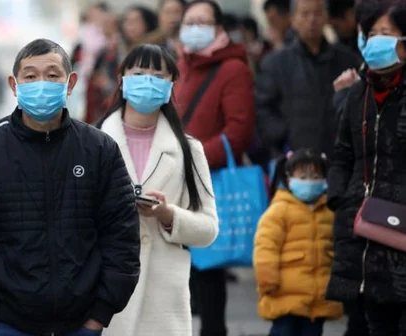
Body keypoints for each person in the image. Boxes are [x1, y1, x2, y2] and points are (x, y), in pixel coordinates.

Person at [0, 38, 141, 336]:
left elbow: (121, 236)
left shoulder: (99, 149)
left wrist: (100, 313)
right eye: (31, 76)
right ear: (14, 83)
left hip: (82, 323)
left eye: (52, 75)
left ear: (70, 83)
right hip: (4, 323)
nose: (41, 84)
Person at [97, 44, 219, 336]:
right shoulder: (92, 144)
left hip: (163, 301)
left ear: (171, 84)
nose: (147, 81)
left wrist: (168, 215)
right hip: (103, 294)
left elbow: (209, 228)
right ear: (122, 78)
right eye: (138, 73)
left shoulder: (189, 149)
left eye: (157, 75)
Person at [174, 2, 256, 334]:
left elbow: (238, 132)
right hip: (176, 177)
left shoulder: (233, 68)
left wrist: (191, 157)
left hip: (208, 177)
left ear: (219, 28)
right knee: (182, 267)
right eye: (189, 21)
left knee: (208, 265)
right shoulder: (182, 63)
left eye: (202, 22)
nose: (194, 27)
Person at [328, 1, 406, 335]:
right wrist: (340, 199)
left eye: (385, 34)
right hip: (362, 228)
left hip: (401, 227)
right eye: (370, 33)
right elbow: (342, 153)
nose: (375, 41)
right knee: (372, 322)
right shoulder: (358, 90)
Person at [256, 0, 362, 159]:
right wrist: (284, 137)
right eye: (305, 14)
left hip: (340, 157)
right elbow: (263, 109)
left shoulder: (348, 60)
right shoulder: (275, 63)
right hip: (293, 159)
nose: (312, 19)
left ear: (326, 18)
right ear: (293, 19)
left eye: (317, 13)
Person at [254, 148, 343, 336]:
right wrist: (267, 281)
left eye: (315, 176)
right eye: (303, 177)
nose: (309, 182)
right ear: (289, 180)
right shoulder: (279, 211)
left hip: (317, 299)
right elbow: (265, 248)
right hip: (284, 294)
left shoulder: (329, 213)